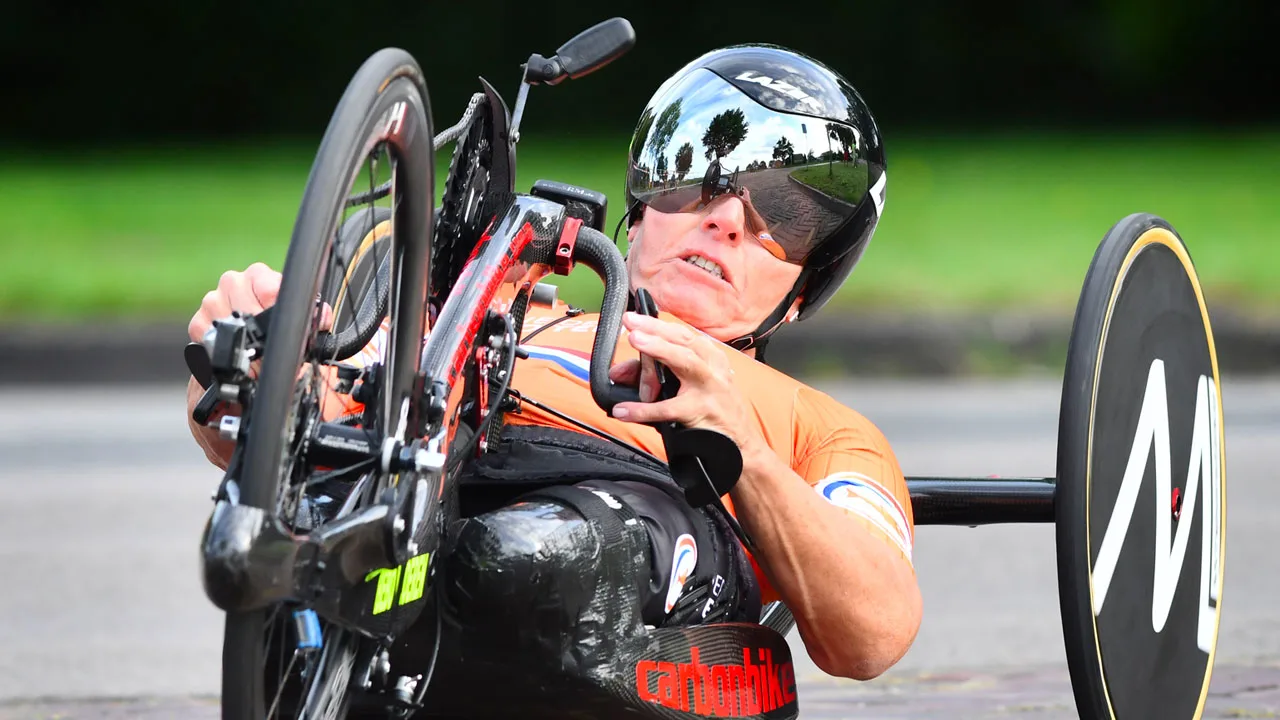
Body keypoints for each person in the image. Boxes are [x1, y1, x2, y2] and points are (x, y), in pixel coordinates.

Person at [186, 44, 920, 686]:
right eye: (696, 177)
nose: (725, 218)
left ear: (801, 293)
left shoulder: (819, 427)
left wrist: (745, 454)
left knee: (523, 555)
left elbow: (874, 633)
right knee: (315, 466)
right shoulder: (496, 310)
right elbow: (277, 433)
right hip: (428, 467)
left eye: (781, 219)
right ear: (639, 215)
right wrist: (256, 364)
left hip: (630, 515)